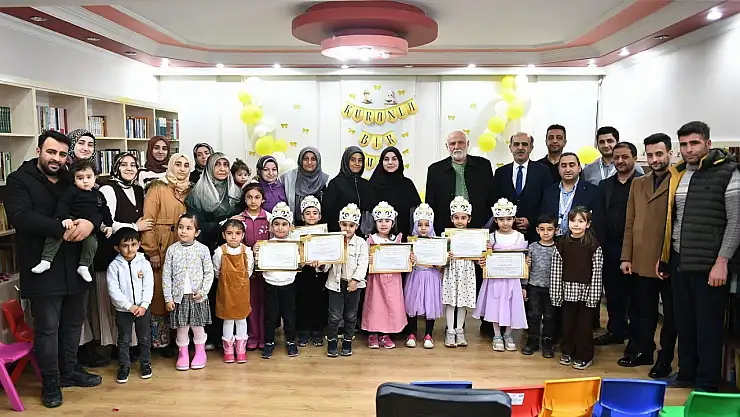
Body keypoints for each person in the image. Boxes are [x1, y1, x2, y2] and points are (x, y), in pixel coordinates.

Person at [4, 130, 102, 408]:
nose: (56, 158)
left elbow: (95, 204)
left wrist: (91, 224)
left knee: (73, 324)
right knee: (47, 329)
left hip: (76, 266)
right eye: (51, 152)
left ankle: (69, 372)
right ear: (38, 151)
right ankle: (50, 383)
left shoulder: (72, 178)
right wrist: (60, 228)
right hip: (42, 268)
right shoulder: (18, 180)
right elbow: (20, 217)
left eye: (61, 154)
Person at [658, 121, 740, 392]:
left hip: (710, 264)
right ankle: (686, 374)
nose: (688, 149)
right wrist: (665, 256)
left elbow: (736, 222)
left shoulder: (728, 172)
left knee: (708, 326)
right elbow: (673, 220)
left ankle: (706, 382)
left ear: (708, 143)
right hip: (680, 260)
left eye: (694, 143)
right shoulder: (679, 173)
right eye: (683, 144)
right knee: (684, 323)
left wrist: (722, 261)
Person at [620, 133, 676, 378]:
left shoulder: (679, 180)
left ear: (669, 153)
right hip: (641, 258)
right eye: (650, 155)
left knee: (671, 316)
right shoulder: (638, 183)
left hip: (667, 258)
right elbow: (630, 221)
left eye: (659, 154)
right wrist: (626, 256)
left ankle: (665, 359)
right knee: (642, 309)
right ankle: (643, 351)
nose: (654, 159)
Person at [95, 152, 152, 354]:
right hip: (112, 252)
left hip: (132, 253)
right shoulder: (108, 188)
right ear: (116, 168)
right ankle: (115, 347)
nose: (129, 168)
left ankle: (133, 346)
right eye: (124, 164)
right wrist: (134, 227)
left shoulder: (137, 189)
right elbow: (105, 223)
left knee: (134, 296)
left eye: (133, 165)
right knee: (114, 301)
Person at [186, 152, 244, 349]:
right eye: (217, 164)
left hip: (230, 249)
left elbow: (239, 220)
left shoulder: (236, 193)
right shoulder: (197, 193)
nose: (222, 169)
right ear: (209, 168)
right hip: (206, 248)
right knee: (208, 291)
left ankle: (229, 336)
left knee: (228, 290)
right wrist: (222, 223)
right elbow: (197, 224)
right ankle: (209, 336)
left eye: (225, 165)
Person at [141, 153, 192, 355]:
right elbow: (148, 220)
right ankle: (160, 341)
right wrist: (152, 250)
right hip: (162, 244)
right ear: (170, 166)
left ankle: (179, 339)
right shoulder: (158, 188)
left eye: (186, 165)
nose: (182, 169)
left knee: (181, 291)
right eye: (177, 164)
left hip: (184, 245)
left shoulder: (191, 190)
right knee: (160, 294)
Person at [31, 159, 113, 283]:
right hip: (72, 219)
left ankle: (84, 265)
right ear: (74, 180)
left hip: (89, 223)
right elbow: (63, 204)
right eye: (80, 178)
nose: (85, 181)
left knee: (92, 243)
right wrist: (65, 217)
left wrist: (109, 225)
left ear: (95, 177)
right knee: (57, 233)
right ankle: (46, 260)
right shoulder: (71, 191)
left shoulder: (98, 195)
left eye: (89, 177)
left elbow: (104, 210)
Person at [593, 142, 642, 349]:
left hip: (634, 247)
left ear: (635, 159)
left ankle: (635, 336)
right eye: (616, 157)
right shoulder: (604, 185)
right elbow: (598, 216)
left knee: (634, 294)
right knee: (612, 292)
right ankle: (615, 330)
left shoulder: (642, 183)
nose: (620, 161)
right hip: (609, 246)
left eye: (625, 157)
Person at [550, 206, 603, 370]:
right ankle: (567, 351)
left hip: (586, 294)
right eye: (573, 221)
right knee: (568, 324)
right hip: (567, 292)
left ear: (588, 224)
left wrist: (593, 297)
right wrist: (556, 294)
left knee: (584, 327)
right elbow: (556, 270)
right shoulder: (561, 244)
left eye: (581, 221)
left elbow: (597, 272)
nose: (576, 224)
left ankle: (584, 356)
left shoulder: (594, 245)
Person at [475, 198, 528, 352]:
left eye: (509, 219)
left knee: (511, 306)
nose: (505, 223)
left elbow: (523, 259)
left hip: (513, 280)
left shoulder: (519, 237)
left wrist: (525, 272)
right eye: (501, 219)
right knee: (495, 306)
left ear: (514, 219)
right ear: (496, 220)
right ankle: (497, 334)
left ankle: (508, 334)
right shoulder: (491, 237)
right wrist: (482, 261)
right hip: (495, 280)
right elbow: (483, 258)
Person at [163, 213, 214, 371]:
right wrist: (168, 298)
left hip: (197, 297)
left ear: (196, 232)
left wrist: (203, 292)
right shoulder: (172, 250)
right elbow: (166, 275)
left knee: (198, 327)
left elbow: (209, 273)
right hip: (179, 298)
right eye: (180, 227)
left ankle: (200, 352)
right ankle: (183, 354)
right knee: (182, 328)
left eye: (188, 228)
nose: (183, 231)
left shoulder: (203, 250)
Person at [106, 228, 153, 384]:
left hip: (143, 309)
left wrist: (144, 305)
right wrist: (129, 306)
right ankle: (124, 366)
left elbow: (148, 286)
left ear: (139, 244)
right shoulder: (114, 266)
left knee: (144, 338)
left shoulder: (144, 263)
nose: (130, 249)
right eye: (125, 245)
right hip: (124, 311)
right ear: (117, 248)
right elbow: (114, 290)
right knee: (124, 340)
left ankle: (145, 364)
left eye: (133, 244)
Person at [425, 130, 495, 235]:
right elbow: (430, 203)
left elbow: (491, 197)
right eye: (452, 143)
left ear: (467, 144)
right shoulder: (435, 170)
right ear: (447, 146)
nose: (457, 147)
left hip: (478, 228)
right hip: (445, 229)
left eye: (461, 142)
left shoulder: (483, 166)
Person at [257, 202, 301, 359]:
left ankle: (291, 341)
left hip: (288, 285)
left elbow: (300, 263)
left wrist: (303, 255)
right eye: (276, 224)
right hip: (270, 284)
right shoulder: (265, 245)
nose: (280, 228)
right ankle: (269, 342)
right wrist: (257, 252)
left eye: (284, 224)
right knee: (271, 317)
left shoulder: (295, 245)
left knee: (289, 316)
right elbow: (258, 264)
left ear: (290, 227)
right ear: (271, 227)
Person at [362, 201, 408, 349]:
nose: (383, 224)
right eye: (380, 221)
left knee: (391, 305)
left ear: (392, 223)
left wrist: (409, 258)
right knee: (375, 305)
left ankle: (385, 334)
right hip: (376, 279)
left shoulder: (397, 239)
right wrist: (367, 260)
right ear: (375, 222)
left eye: (387, 221)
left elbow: (403, 258)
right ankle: (373, 333)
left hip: (393, 279)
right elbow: (363, 258)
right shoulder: (370, 240)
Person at [325, 203, 369, 357]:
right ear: (339, 224)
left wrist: (356, 280)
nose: (347, 228)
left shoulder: (361, 243)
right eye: (344, 225)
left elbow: (363, 263)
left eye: (351, 225)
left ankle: (347, 341)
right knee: (334, 316)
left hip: (353, 284)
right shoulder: (333, 240)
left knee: (350, 315)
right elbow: (327, 263)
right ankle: (332, 342)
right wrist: (321, 264)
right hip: (335, 284)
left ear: (356, 226)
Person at [492, 132, 552, 242]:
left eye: (524, 144)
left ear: (531, 148)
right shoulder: (500, 173)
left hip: (536, 235)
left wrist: (532, 221)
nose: (520, 148)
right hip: (506, 236)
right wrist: (509, 220)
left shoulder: (543, 171)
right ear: (510, 148)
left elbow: (547, 202)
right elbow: (495, 200)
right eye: (516, 144)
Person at [213, 219, 254, 364]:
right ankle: (228, 350)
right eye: (229, 233)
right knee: (228, 320)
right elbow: (216, 271)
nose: (233, 237)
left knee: (242, 319)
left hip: (242, 292)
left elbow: (249, 271)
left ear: (243, 235)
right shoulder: (219, 252)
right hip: (225, 291)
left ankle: (241, 350)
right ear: (224, 235)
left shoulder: (247, 251)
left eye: (237, 233)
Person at [403, 203, 443, 349]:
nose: (423, 228)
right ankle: (412, 334)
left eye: (427, 225)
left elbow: (441, 265)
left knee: (430, 305)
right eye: (420, 225)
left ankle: (428, 334)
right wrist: (410, 259)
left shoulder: (438, 242)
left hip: (431, 276)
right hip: (415, 276)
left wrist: (439, 261)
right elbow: (404, 262)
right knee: (413, 304)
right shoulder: (411, 242)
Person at [442, 196, 478, 348]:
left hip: (466, 271)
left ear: (469, 219)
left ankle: (459, 330)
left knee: (463, 302)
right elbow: (440, 256)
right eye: (456, 217)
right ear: (452, 218)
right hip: (452, 270)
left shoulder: (475, 237)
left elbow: (479, 256)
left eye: (463, 218)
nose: (459, 221)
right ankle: (450, 331)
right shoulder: (446, 236)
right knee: (451, 302)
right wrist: (446, 254)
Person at [540, 152, 601, 238]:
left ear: (579, 168)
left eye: (572, 165)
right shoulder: (550, 191)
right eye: (564, 166)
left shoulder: (592, 191)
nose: (568, 170)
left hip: (581, 242)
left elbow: (597, 223)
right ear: (558, 169)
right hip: (552, 241)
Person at [295, 195, 329, 347]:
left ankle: (317, 331)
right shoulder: (295, 233)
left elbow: (329, 254)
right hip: (302, 274)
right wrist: (300, 262)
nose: (311, 216)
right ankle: (303, 330)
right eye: (307, 213)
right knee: (302, 301)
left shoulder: (325, 233)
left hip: (319, 273)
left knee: (319, 302)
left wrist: (321, 265)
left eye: (315, 213)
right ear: (302, 216)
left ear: (320, 216)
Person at [521, 214, 558, 357]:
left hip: (552, 289)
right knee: (533, 315)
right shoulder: (532, 247)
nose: (546, 233)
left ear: (556, 230)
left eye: (550, 229)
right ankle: (533, 341)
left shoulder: (558, 248)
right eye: (542, 229)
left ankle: (548, 343)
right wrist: (524, 286)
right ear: (537, 230)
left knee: (549, 317)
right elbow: (527, 268)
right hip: (534, 287)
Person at [240, 183, 271, 350]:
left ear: (263, 199)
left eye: (257, 197)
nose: (253, 201)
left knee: (265, 304)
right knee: (251, 304)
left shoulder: (270, 218)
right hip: (247, 271)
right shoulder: (239, 219)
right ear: (244, 199)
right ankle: (252, 335)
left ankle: (265, 336)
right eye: (249, 197)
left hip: (266, 271)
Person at [323, 146, 378, 236]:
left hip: (361, 237)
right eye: (353, 160)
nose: (357, 164)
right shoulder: (335, 184)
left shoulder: (366, 185)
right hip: (339, 235)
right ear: (346, 161)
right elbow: (328, 213)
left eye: (360, 160)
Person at [370, 146, 421, 238]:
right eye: (386, 159)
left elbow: (415, 213)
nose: (390, 162)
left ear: (399, 161)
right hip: (377, 240)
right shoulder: (373, 185)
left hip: (404, 238)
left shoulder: (407, 185)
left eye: (394, 159)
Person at [280, 146, 329, 224]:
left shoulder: (325, 181)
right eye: (305, 159)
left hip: (319, 229)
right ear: (300, 160)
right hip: (294, 227)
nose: (309, 162)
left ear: (318, 161)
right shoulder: (288, 178)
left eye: (313, 159)